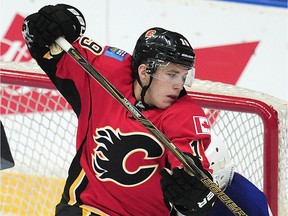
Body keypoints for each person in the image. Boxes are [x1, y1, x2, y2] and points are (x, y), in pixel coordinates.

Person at [22, 4, 270, 216]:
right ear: (144, 71)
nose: (178, 84)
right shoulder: (105, 74)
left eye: (184, 75)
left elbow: (189, 159)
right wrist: (57, 21)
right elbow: (46, 44)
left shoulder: (184, 114)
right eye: (172, 74)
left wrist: (194, 190)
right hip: (85, 209)